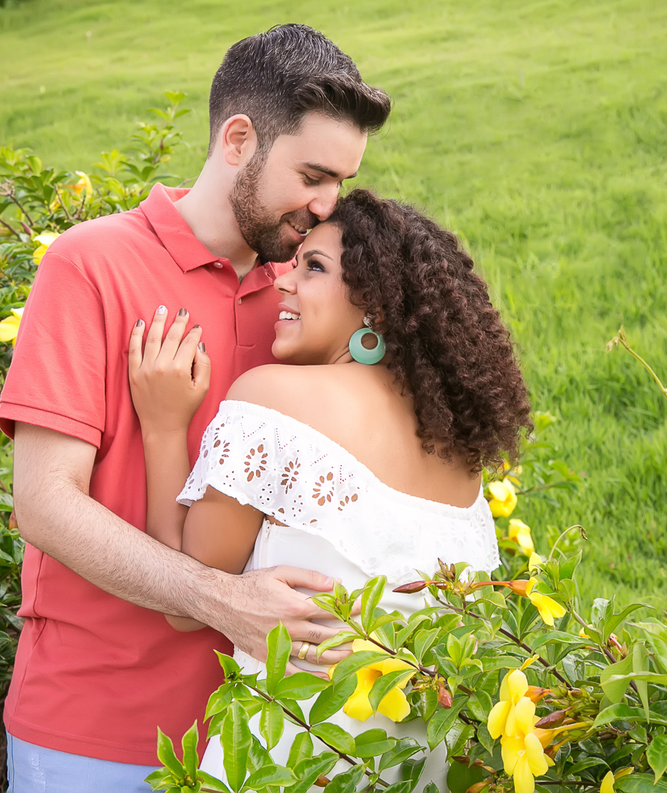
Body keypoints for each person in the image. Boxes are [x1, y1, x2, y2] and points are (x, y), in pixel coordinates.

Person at [0, 25, 391, 791]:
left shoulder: (310, 296)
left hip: (275, 740)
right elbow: (43, 502)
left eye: (341, 182)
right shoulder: (91, 264)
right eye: (313, 175)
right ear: (238, 140)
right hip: (98, 735)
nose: (326, 205)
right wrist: (225, 601)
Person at [128, 189, 533, 788]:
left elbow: (186, 605)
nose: (283, 283)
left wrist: (163, 427)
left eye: (313, 267)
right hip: (415, 773)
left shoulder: (273, 399)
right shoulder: (458, 457)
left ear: (376, 305)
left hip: (290, 765)